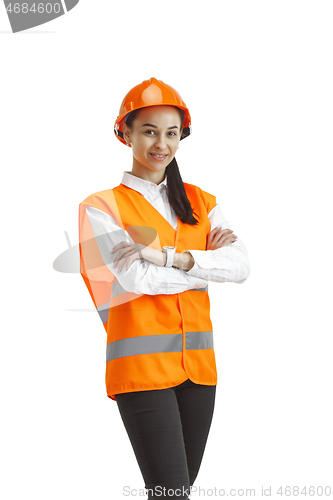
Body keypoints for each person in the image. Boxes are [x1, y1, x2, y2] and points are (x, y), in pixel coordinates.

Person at [78, 77, 250, 500]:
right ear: (126, 133)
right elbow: (136, 279)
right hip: (141, 371)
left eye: (171, 133)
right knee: (171, 492)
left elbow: (241, 266)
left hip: (200, 367)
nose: (162, 143)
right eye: (149, 131)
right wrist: (207, 267)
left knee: (177, 493)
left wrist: (168, 257)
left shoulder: (202, 202)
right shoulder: (100, 208)